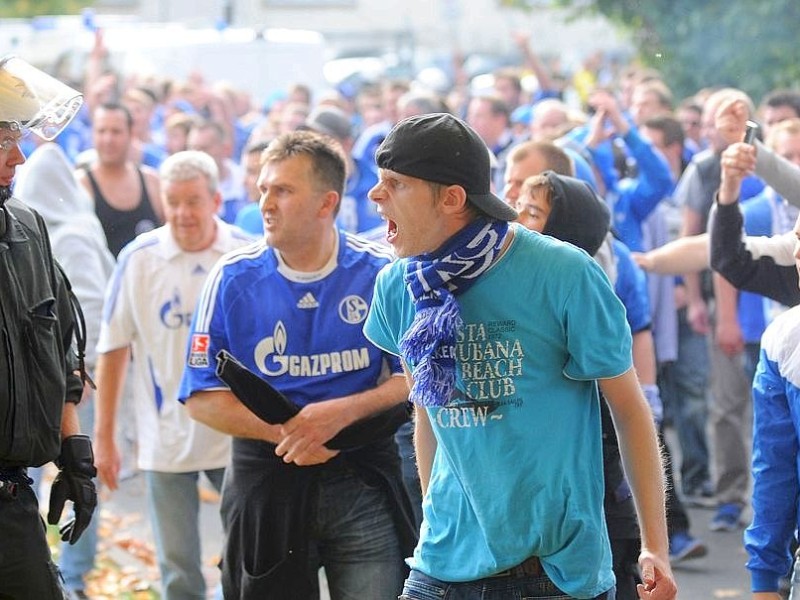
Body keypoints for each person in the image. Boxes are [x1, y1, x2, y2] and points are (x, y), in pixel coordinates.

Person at [364, 113, 676, 599]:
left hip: (554, 572)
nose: (374, 195)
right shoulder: (398, 286)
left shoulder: (563, 272)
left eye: (395, 184)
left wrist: (655, 545)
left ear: (452, 198)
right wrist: (435, 519)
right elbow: (426, 412)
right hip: (442, 565)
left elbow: (631, 411)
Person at [179, 130, 416, 600]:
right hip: (268, 482)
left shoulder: (380, 272)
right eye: (263, 188)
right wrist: (291, 435)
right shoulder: (231, 277)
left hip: (363, 479)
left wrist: (341, 414)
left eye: (283, 191)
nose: (265, 202)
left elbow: (415, 378)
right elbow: (201, 398)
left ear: (327, 203)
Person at [93, 150, 253, 599]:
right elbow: (113, 348)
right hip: (164, 435)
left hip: (234, 434)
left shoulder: (244, 254)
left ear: (216, 200)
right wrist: (104, 438)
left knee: (247, 557)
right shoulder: (139, 259)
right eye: (173, 201)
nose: (183, 213)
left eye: (193, 201)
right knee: (178, 568)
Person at [0, 55, 97, 600]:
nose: (19, 156)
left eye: (17, 136)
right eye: (1, 141)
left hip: (12, 505)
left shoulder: (27, 230)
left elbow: (57, 356)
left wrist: (75, 454)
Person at [15, 142, 115, 600]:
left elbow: (82, 310)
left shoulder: (59, 234)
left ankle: (73, 577)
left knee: (76, 478)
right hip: (41, 390)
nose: (14, 159)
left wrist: (77, 374)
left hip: (68, 387)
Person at [76, 102, 163, 257]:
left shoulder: (152, 182)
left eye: (116, 132)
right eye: (101, 131)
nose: (108, 139)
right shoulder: (80, 185)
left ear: (131, 134)